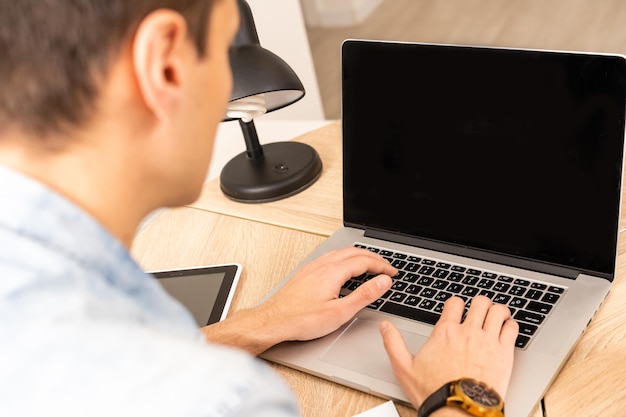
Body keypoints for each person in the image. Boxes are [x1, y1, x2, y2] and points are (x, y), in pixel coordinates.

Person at [0, 0, 518, 416]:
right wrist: (463, 400)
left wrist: (262, 322)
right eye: (229, 57)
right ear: (165, 64)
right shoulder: (220, 398)